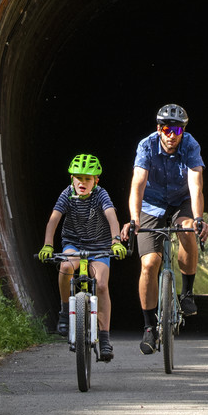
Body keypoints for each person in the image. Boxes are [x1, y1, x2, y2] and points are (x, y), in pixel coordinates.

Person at [127, 102, 206, 355]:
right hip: (151, 205)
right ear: (159, 129)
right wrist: (134, 218)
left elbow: (196, 185)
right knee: (149, 263)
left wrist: (198, 218)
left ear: (184, 131)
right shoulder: (146, 146)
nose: (172, 135)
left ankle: (187, 293)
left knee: (187, 230)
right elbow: (138, 183)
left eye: (178, 130)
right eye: (167, 130)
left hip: (181, 201)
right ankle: (149, 326)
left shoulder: (190, 145)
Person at [36, 153, 128, 362]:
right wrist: (48, 244)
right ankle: (64, 312)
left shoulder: (101, 194)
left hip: (99, 247)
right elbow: (53, 219)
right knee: (65, 266)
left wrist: (115, 241)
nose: (82, 183)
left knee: (101, 285)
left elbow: (111, 215)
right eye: (78, 178)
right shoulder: (67, 194)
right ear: (72, 178)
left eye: (88, 179)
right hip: (74, 245)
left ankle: (104, 338)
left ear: (96, 181)